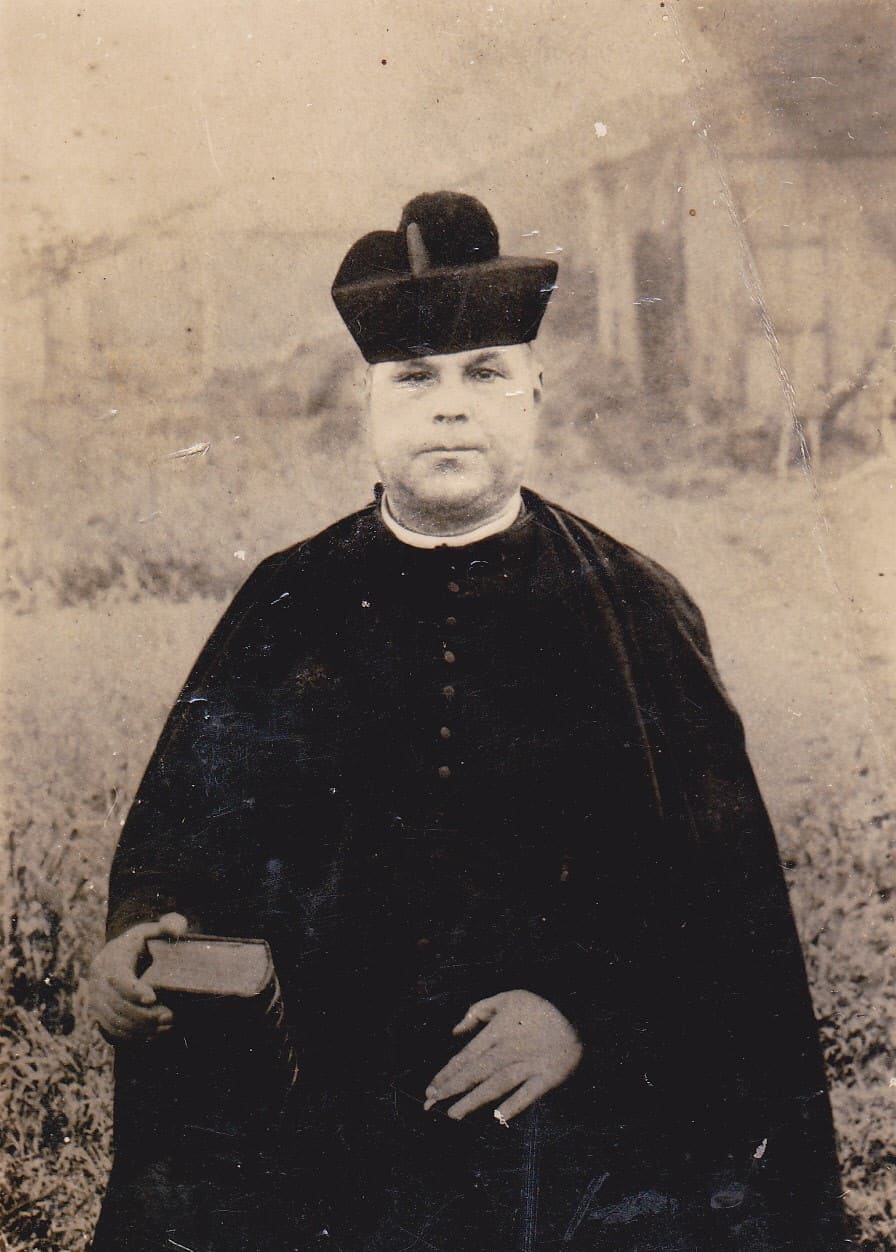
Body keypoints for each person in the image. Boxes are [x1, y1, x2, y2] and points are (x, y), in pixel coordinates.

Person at [90, 191, 846, 1251]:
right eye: (414, 379)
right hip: (314, 1103)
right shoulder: (285, 602)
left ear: (535, 393)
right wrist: (142, 929)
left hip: (566, 1120)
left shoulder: (632, 607)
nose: (450, 409)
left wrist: (584, 1020)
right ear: (367, 404)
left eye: (483, 374)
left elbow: (721, 907)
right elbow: (180, 829)